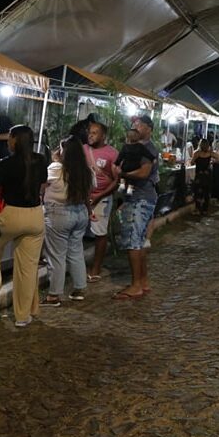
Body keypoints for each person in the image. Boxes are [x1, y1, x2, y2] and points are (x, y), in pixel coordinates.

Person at [0, 125, 48, 327]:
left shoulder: (7, 163)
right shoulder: (41, 160)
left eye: (9, 137)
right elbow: (42, 184)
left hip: (12, 215)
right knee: (27, 269)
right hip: (35, 215)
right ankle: (23, 316)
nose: (7, 140)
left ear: (16, 140)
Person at [41, 136, 94, 306]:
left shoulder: (57, 169)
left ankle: (54, 295)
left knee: (56, 255)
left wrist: (55, 159)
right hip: (80, 214)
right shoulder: (87, 171)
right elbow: (87, 195)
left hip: (59, 214)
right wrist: (90, 211)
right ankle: (79, 288)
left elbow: (41, 183)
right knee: (76, 251)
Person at [113, 115, 159, 299]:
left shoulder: (147, 149)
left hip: (141, 198)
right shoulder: (136, 148)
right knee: (138, 242)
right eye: (134, 124)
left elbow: (144, 172)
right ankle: (143, 281)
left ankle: (136, 285)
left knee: (133, 241)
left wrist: (122, 172)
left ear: (149, 128)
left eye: (139, 124)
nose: (135, 126)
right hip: (137, 197)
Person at [85, 122, 119, 282]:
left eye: (95, 133)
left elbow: (116, 181)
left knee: (100, 233)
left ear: (103, 136)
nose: (91, 135)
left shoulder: (112, 154)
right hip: (82, 198)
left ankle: (96, 268)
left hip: (102, 199)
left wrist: (99, 196)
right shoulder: (83, 150)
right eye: (90, 132)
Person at [114, 129, 156, 196]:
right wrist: (153, 159)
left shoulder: (125, 147)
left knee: (122, 176)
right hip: (135, 166)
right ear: (138, 138)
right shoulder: (141, 147)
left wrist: (116, 164)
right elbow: (147, 154)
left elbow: (120, 156)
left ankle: (122, 185)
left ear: (127, 138)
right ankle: (130, 190)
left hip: (126, 166)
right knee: (132, 179)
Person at [191, 139, 213, 215]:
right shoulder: (210, 153)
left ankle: (197, 209)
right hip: (207, 175)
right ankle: (205, 210)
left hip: (199, 175)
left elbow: (192, 162)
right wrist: (211, 162)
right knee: (206, 192)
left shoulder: (197, 153)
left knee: (198, 192)